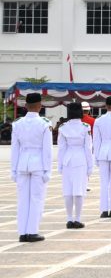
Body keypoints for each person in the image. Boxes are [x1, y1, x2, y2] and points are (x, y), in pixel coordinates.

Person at [11, 93, 52, 242]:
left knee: (23, 199)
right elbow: (47, 150)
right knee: (36, 198)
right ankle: (32, 231)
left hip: (22, 163)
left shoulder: (17, 124)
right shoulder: (44, 123)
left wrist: (13, 169)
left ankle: (22, 232)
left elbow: (14, 149)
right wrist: (48, 170)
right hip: (38, 164)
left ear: (26, 106)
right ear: (39, 105)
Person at [57, 102, 94, 229]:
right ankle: (77, 219)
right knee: (79, 191)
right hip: (80, 159)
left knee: (67, 191)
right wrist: (90, 165)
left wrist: (60, 165)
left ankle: (69, 219)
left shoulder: (63, 127)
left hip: (67, 159)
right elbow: (88, 148)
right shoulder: (85, 127)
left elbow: (61, 148)